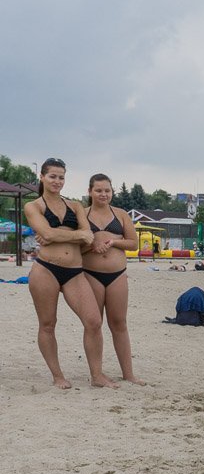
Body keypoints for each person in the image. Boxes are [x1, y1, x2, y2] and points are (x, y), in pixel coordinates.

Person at [23, 158, 118, 389]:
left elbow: (87, 236)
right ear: (42, 177)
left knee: (94, 321)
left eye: (61, 177)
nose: (57, 181)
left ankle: (97, 375)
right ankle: (57, 376)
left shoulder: (75, 206)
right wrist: (68, 235)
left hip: (75, 272)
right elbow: (51, 233)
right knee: (47, 324)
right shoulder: (33, 206)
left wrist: (55, 234)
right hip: (46, 269)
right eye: (52, 176)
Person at [82, 173, 145, 385]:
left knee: (119, 323)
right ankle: (96, 375)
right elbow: (75, 244)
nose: (103, 194)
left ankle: (128, 374)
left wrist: (114, 242)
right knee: (94, 324)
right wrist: (92, 245)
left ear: (112, 192)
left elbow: (133, 244)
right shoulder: (82, 214)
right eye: (98, 190)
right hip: (91, 274)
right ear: (89, 191)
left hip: (117, 274)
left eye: (107, 190)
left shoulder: (121, 215)